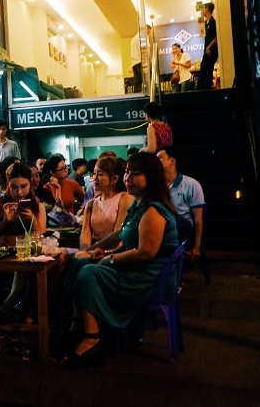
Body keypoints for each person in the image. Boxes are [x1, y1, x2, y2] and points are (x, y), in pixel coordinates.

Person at [63, 152, 179, 369]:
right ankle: (79, 323)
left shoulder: (153, 209)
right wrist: (102, 253)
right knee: (81, 262)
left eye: (136, 174)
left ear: (151, 177)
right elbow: (125, 239)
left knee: (89, 272)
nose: (128, 178)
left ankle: (92, 337)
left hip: (149, 279)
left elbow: (146, 253)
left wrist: (111, 259)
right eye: (127, 172)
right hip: (138, 269)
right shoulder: (140, 204)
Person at [0, 163, 47, 319]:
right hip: (1, 257)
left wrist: (33, 221)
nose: (19, 192)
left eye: (24, 186)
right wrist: (5, 221)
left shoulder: (37, 206)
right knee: (25, 263)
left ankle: (10, 304)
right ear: (7, 185)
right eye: (14, 187)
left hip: (26, 258)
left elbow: (41, 239)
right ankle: (14, 306)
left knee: (27, 261)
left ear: (30, 183)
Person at [157, 146, 205, 259]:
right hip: (164, 224)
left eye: (159, 158)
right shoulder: (157, 186)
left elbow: (198, 218)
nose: (156, 162)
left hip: (182, 226)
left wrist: (197, 247)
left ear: (172, 161)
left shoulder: (191, 185)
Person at [197, 2, 217, 90]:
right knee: (205, 68)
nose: (201, 11)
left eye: (203, 8)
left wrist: (209, 47)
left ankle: (203, 89)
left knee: (206, 68)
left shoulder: (213, 22)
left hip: (211, 51)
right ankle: (204, 88)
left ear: (207, 9)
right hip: (207, 50)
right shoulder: (207, 23)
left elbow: (217, 37)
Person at [130, 25, 151, 93]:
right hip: (140, 61)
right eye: (148, 30)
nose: (149, 32)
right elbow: (144, 50)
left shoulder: (134, 38)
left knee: (138, 80)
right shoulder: (142, 38)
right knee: (142, 80)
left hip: (135, 61)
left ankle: (137, 95)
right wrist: (149, 61)